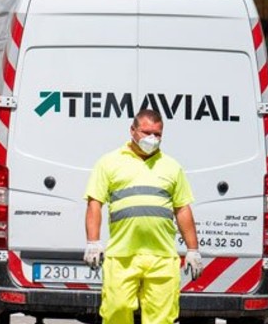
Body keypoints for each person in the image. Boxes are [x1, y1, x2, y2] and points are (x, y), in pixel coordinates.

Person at [84, 108, 202, 324]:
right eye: (146, 132)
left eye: (157, 134)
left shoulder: (172, 167)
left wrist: (193, 250)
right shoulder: (109, 162)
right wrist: (93, 242)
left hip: (162, 257)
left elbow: (183, 209)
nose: (152, 139)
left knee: (161, 318)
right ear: (132, 130)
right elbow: (94, 203)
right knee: (115, 312)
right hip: (122, 255)